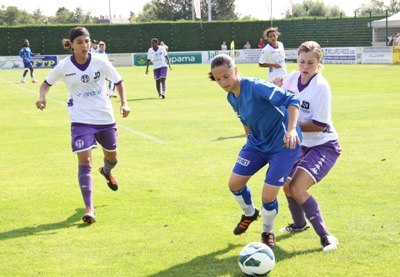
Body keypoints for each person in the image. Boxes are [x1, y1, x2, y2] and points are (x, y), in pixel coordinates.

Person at [35, 27, 131, 224]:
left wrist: (124, 103)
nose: (84, 45)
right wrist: (42, 97)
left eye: (87, 41)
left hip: (104, 118)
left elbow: (118, 81)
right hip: (80, 120)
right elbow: (45, 84)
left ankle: (106, 171)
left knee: (112, 157)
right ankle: (90, 208)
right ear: (71, 45)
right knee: (84, 162)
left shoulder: (100, 61)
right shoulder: (64, 66)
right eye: (79, 42)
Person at [209, 53, 302, 249]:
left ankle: (267, 231)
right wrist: (249, 143)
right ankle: (251, 213)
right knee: (234, 184)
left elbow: (292, 101)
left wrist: (292, 130)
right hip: (257, 144)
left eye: (226, 76)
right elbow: (245, 120)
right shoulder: (230, 97)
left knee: (268, 196)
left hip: (283, 145)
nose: (223, 82)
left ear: (235, 70)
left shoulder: (256, 86)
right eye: (218, 79)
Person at [273, 41, 341, 252]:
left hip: (324, 145)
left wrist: (290, 126)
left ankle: (326, 236)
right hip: (301, 144)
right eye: (302, 61)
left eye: (311, 62)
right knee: (286, 185)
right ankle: (299, 224)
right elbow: (280, 101)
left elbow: (320, 125)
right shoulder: (292, 78)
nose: (305, 66)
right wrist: (276, 87)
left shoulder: (321, 87)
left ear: (318, 63)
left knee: (297, 188)